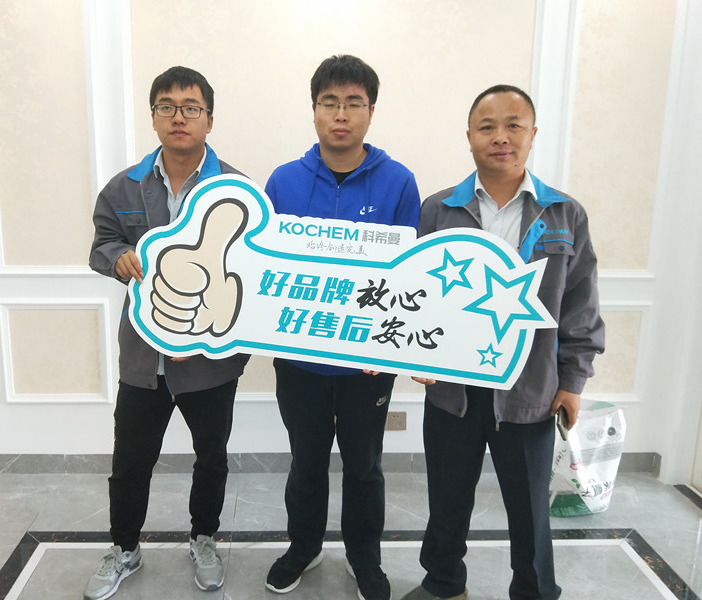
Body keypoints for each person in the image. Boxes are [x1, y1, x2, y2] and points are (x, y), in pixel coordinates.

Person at [401, 85, 605, 600]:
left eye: (513, 125)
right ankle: (444, 583)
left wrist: (573, 381)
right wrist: (415, 353)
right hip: (453, 390)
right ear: (469, 136)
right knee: (447, 499)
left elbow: (580, 304)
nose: (501, 137)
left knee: (530, 508)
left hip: (530, 391)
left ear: (532, 134)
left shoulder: (564, 214)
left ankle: (534, 590)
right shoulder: (437, 210)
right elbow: (414, 295)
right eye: (487, 127)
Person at [85, 66, 249, 599]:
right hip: (144, 358)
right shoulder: (124, 186)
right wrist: (117, 257)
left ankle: (204, 539)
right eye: (167, 107)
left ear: (209, 119)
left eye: (191, 108)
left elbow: (253, 273)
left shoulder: (237, 190)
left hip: (210, 360)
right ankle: (124, 548)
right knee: (130, 461)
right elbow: (101, 244)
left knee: (211, 457)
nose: (179, 117)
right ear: (153, 116)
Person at [263, 55, 421, 600]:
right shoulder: (283, 181)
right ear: (313, 110)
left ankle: (364, 558)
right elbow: (268, 270)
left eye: (354, 103)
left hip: (368, 363)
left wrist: (392, 350)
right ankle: (303, 547)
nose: (341, 114)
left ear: (371, 111)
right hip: (299, 360)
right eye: (329, 102)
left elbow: (407, 276)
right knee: (306, 463)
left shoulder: (399, 183)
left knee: (365, 467)